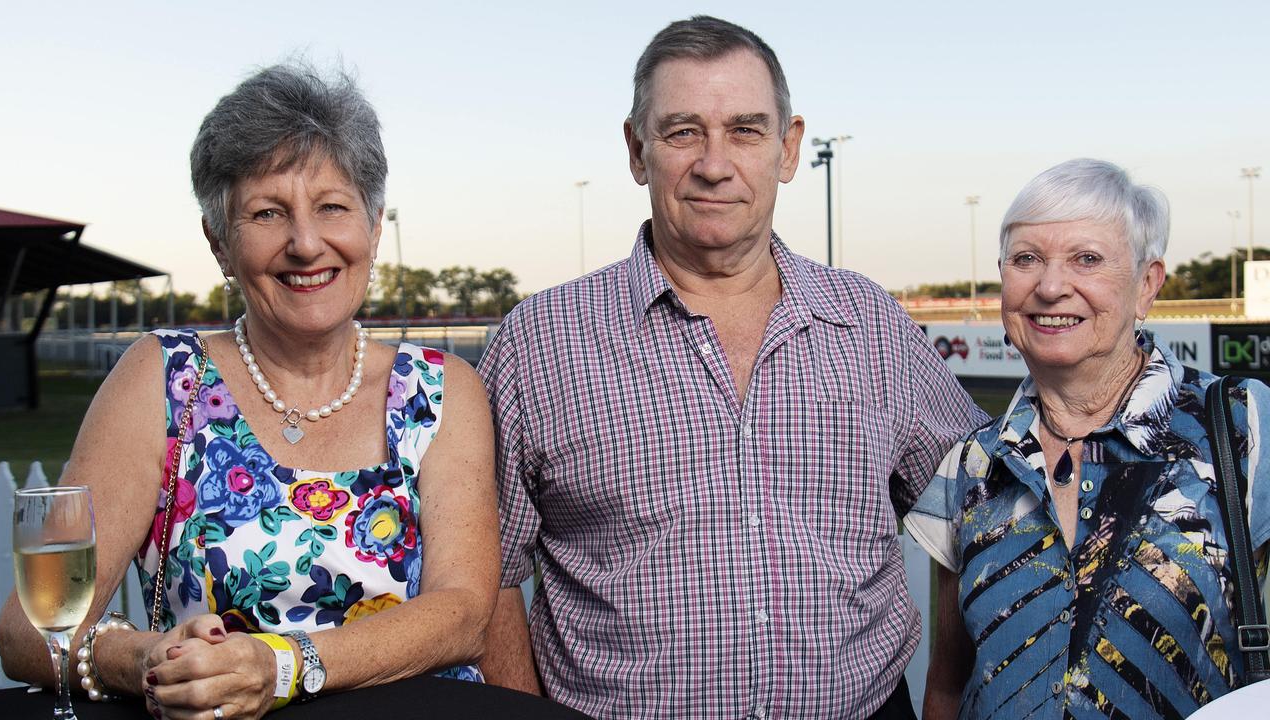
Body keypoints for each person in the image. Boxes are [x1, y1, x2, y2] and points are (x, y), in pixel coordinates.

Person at [476, 15, 986, 719]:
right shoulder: (540, 342)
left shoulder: (870, 324)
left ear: (788, 147)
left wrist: (945, 700)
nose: (715, 164)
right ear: (636, 149)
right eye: (683, 131)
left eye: (745, 130)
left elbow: (977, 513)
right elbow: (489, 575)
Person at [0, 63, 500, 719]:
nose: (305, 243)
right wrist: (146, 661)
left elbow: (463, 615)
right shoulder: (163, 379)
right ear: (220, 245)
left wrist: (284, 665)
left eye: (332, 207)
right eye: (267, 213)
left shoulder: (439, 390)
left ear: (374, 228)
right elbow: (25, 636)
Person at [907, 158, 1270, 719]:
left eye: (1087, 259)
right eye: (1026, 259)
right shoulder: (970, 462)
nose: (1051, 286)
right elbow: (948, 682)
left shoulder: (1245, 425)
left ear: (1146, 285)